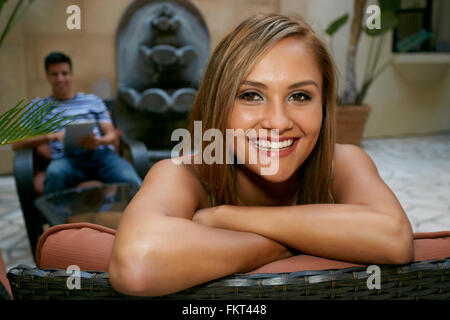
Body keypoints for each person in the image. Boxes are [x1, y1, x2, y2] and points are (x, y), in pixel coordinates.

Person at [109, 14, 414, 297]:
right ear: (218, 104)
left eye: (300, 96)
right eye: (251, 95)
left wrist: (226, 218)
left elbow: (395, 238)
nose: (278, 122)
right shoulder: (181, 173)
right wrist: (280, 244)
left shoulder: (342, 162)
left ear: (324, 105)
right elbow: (137, 262)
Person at [12, 52, 142, 194]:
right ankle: (53, 216)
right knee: (55, 174)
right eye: (55, 74)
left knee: (132, 180)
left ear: (71, 74)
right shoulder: (37, 107)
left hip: (102, 156)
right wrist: (50, 137)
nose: (60, 79)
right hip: (65, 159)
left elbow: (111, 135)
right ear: (47, 77)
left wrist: (99, 141)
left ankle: (140, 216)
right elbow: (16, 143)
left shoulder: (93, 101)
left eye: (64, 73)